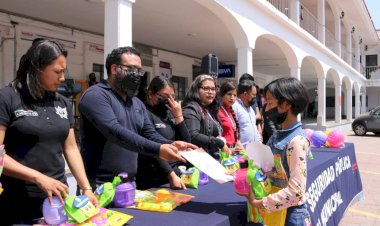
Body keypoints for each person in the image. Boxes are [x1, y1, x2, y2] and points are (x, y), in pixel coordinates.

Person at [0, 39, 98, 225]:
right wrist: (38, 177)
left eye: (64, 71)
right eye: (57, 72)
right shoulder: (8, 98)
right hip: (18, 201)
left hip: (58, 200)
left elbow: (71, 149)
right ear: (37, 67)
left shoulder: (61, 102)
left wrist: (86, 188)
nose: (62, 78)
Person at [78, 46, 196, 190]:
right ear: (115, 68)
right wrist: (158, 149)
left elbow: (149, 134)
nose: (137, 74)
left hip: (130, 184)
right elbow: (115, 132)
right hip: (100, 185)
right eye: (132, 69)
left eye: (139, 70)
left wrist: (170, 144)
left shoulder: (136, 102)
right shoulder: (96, 95)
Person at [247, 77, 311, 225]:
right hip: (277, 211)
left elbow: (296, 192)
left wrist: (261, 203)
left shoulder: (297, 142)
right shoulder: (277, 135)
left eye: (270, 103)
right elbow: (267, 167)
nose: (266, 109)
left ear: (286, 104)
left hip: (291, 215)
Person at [136, 75, 191, 190]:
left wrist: (179, 116)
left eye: (173, 97)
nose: (169, 101)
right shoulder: (145, 113)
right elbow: (153, 146)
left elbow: (185, 141)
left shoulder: (169, 113)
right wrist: (170, 174)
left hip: (176, 172)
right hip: (155, 177)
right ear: (151, 94)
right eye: (165, 96)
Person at [182, 74, 229, 158]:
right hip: (196, 160)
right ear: (196, 90)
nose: (210, 92)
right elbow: (193, 136)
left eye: (213, 89)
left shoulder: (210, 109)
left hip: (211, 157)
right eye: (206, 88)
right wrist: (219, 143)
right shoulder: (191, 108)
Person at [232, 80, 262, 145]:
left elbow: (254, 128)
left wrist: (260, 142)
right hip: (242, 152)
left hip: (255, 150)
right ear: (245, 94)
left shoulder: (251, 109)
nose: (255, 98)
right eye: (253, 95)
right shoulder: (235, 107)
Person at [217, 81, 244, 152]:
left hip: (233, 151)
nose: (232, 98)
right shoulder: (217, 112)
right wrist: (230, 150)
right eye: (229, 94)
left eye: (235, 95)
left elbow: (236, 139)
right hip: (223, 152)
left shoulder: (232, 112)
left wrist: (245, 152)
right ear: (222, 95)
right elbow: (216, 137)